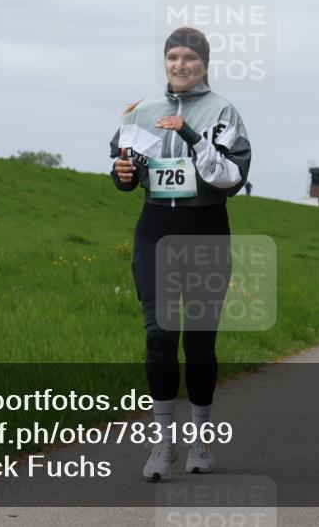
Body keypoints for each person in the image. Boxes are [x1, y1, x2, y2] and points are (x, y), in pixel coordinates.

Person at [109, 27, 252, 480]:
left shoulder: (223, 112)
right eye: (173, 58)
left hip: (206, 230)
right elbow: (125, 169)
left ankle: (201, 441)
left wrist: (189, 132)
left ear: (204, 64)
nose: (180, 66)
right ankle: (161, 444)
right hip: (156, 230)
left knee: (199, 343)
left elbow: (230, 176)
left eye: (189, 58)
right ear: (165, 62)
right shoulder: (143, 111)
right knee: (159, 336)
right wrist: (124, 172)